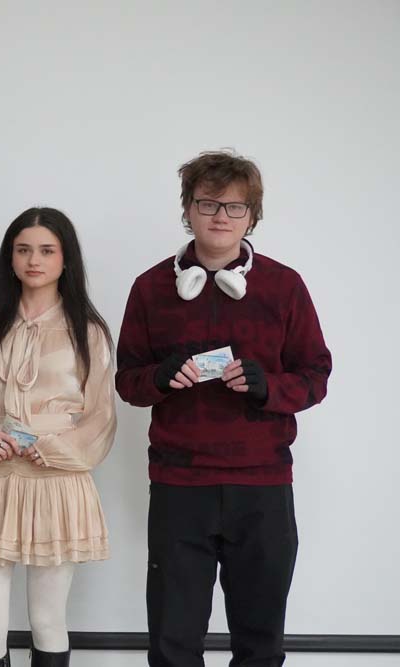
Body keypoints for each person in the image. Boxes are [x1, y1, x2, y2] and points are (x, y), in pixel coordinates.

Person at [115, 150, 332, 667]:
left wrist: (267, 386)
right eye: (208, 203)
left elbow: (315, 375)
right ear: (187, 209)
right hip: (179, 485)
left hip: (262, 485)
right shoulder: (150, 288)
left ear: (252, 216)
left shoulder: (284, 286)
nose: (220, 216)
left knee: (261, 643)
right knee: (172, 643)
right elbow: (127, 381)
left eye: (235, 207)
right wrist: (160, 378)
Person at [0, 207, 116, 667]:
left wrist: (57, 450)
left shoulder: (88, 331)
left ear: (66, 259)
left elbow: (101, 414)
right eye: (23, 250)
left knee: (47, 622)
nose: (34, 260)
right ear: (10, 258)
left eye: (46, 250)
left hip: (56, 484)